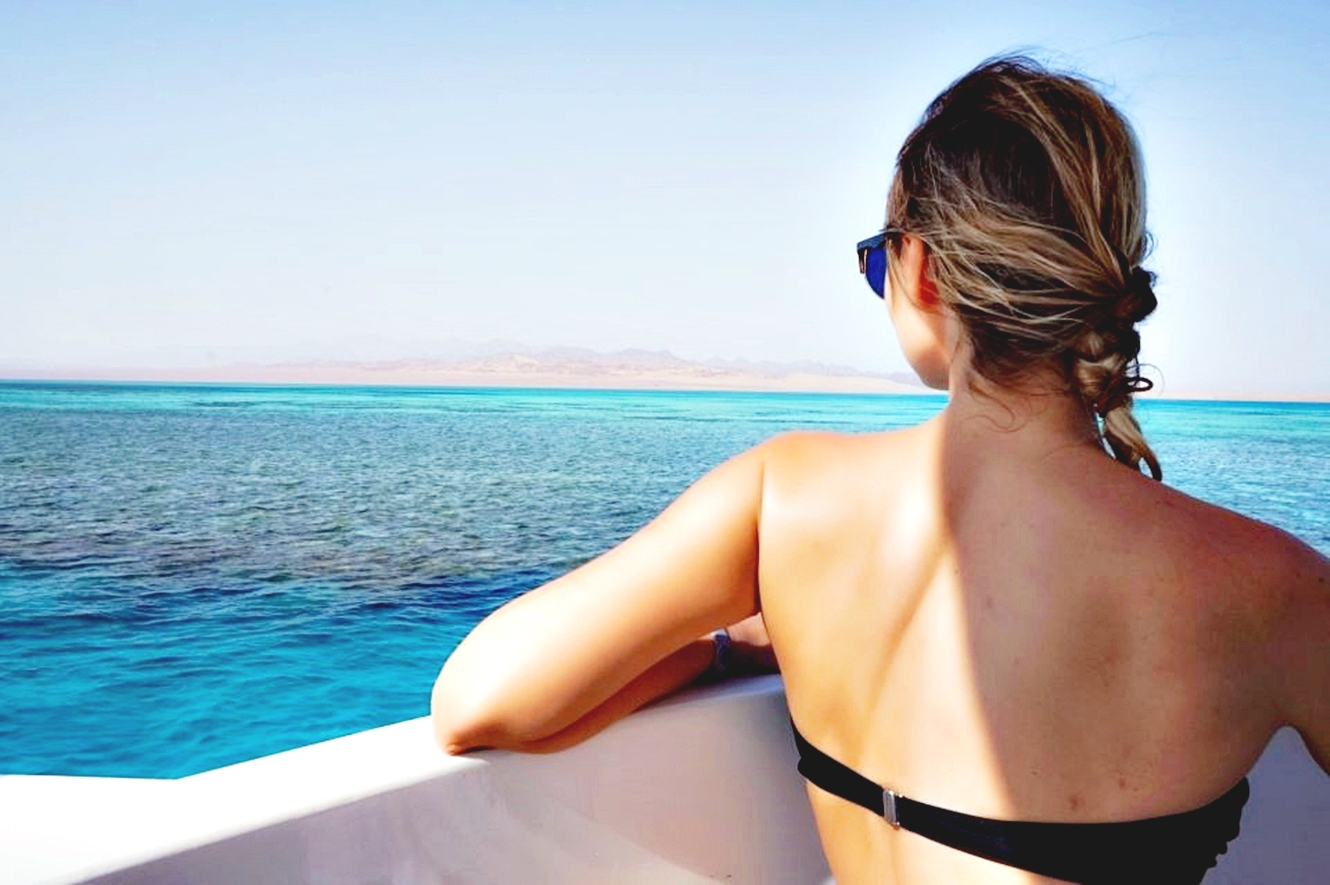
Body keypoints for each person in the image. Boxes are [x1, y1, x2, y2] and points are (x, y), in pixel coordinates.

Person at [430, 57, 1329, 884]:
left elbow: (479, 699)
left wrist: (723, 648)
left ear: (924, 268)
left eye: (877, 261)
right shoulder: (1271, 589)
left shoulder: (781, 498)